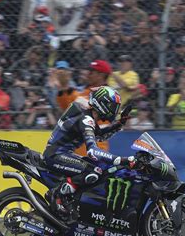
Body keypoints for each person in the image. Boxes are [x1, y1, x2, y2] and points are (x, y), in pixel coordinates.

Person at [43, 86, 134, 219]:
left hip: (62, 154)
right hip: (56, 155)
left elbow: (100, 136)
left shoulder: (88, 117)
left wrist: (120, 123)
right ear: (102, 104)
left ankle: (70, 200)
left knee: (95, 167)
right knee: (94, 171)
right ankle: (58, 195)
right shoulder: (86, 119)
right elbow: (93, 151)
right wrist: (122, 160)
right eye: (112, 106)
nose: (114, 110)